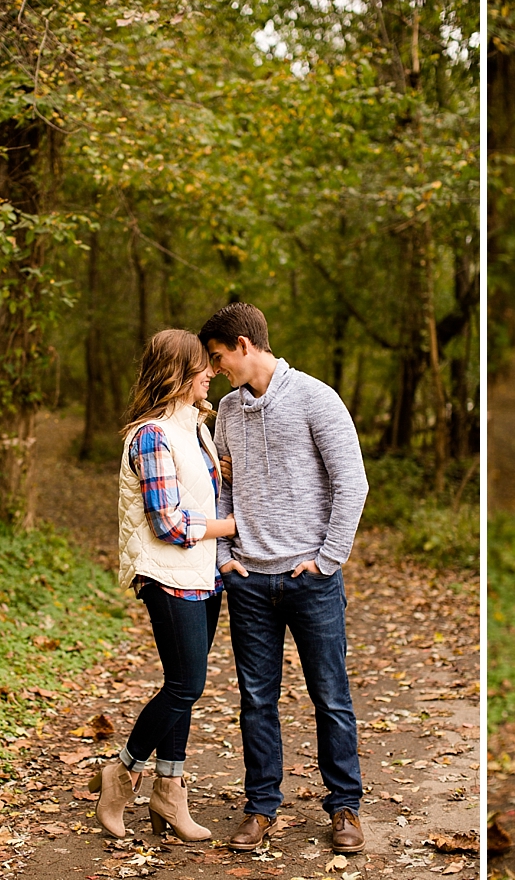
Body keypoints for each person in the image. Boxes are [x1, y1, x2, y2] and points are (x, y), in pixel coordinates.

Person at [198, 303, 369, 854]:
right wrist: (225, 555)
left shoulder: (317, 398)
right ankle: (260, 808)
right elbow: (222, 487)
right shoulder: (225, 410)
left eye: (221, 357)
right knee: (256, 701)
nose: (218, 368)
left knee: (331, 698)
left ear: (245, 346)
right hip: (248, 580)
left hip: (310, 580)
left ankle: (344, 808)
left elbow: (353, 484)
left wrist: (327, 559)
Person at [91, 329, 237, 841]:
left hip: (201, 576)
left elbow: (203, 494)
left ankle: (169, 795)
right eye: (203, 366)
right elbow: (168, 524)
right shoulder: (152, 435)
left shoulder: (195, 428)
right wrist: (233, 527)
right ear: (178, 374)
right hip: (166, 574)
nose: (212, 373)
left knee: (183, 689)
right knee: (186, 685)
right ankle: (123, 772)